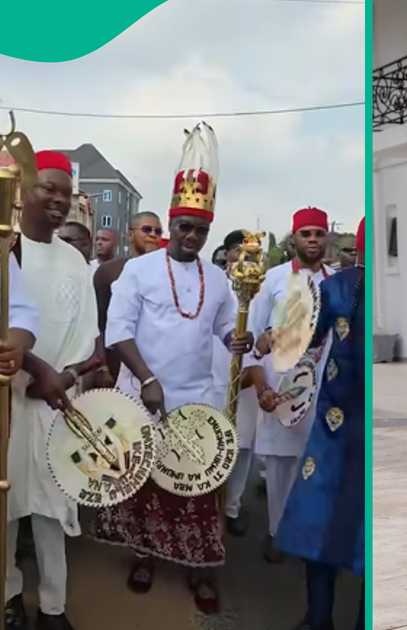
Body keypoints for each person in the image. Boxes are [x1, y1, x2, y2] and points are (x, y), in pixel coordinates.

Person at [95, 124, 251, 614]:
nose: (191, 236)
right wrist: (147, 379)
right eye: (184, 226)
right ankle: (144, 555)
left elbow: (226, 330)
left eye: (200, 230)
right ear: (170, 222)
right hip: (142, 398)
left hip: (195, 402)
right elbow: (117, 330)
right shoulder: (136, 271)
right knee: (143, 485)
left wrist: (241, 338)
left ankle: (199, 570)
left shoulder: (219, 279)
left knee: (196, 490)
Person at [4, 151, 99, 630]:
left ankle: (54, 607)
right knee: (6, 508)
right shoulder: (6, 246)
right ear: (23, 190)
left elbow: (88, 335)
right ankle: (8, 596)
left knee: (52, 508)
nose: (59, 200)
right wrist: (33, 372)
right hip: (7, 400)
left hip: (56, 402)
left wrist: (65, 375)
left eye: (65, 192)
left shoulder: (75, 261)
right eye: (48, 189)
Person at [275, 217, 364, 630]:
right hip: (339, 426)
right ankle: (322, 618)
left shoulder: (343, 287)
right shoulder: (336, 287)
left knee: (345, 527)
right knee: (332, 523)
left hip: (356, 430)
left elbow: (301, 347)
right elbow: (301, 345)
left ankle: (339, 618)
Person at [244, 207, 334, 563]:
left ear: (327, 237)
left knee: (316, 466)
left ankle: (309, 534)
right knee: (280, 467)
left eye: (318, 233)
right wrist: (263, 387)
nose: (312, 240)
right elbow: (252, 340)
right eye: (305, 233)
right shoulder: (273, 280)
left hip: (326, 389)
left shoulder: (338, 281)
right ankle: (276, 532)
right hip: (281, 387)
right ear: (293, 238)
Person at [208, 230, 259, 539]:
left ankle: (232, 508)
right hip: (212, 372)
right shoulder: (214, 285)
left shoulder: (265, 288)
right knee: (213, 445)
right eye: (239, 251)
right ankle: (207, 507)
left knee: (241, 448)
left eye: (252, 253)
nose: (245, 258)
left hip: (250, 374)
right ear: (227, 254)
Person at [91, 212, 163, 388]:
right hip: (117, 359)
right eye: (146, 229)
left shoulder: (167, 272)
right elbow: (98, 322)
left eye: (158, 231)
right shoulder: (109, 271)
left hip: (157, 359)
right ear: (130, 235)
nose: (153, 234)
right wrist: (102, 366)